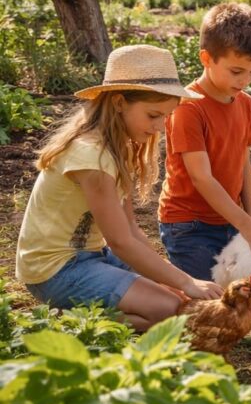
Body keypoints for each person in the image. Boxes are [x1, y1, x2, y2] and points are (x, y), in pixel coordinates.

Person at [15, 45, 223, 331]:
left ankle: (82, 314)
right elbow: (120, 242)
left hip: (92, 257)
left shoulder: (117, 148)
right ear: (119, 103)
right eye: (153, 115)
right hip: (55, 270)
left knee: (179, 300)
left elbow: (131, 231)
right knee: (169, 312)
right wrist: (187, 281)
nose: (160, 127)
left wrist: (173, 280)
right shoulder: (91, 155)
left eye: (166, 117)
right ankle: (66, 323)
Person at [158, 2, 251, 280]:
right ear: (206, 58)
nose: (246, 80)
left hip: (231, 220)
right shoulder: (188, 107)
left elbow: (243, 162)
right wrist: (245, 224)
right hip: (189, 226)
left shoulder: (245, 103)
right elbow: (201, 178)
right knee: (214, 295)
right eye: (237, 71)